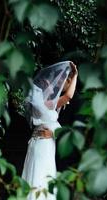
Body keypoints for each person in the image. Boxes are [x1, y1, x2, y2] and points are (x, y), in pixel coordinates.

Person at [21, 61, 78, 200]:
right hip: (42, 144)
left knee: (43, 177)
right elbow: (68, 96)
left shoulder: (45, 103)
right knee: (40, 178)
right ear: (45, 83)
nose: (55, 85)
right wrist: (75, 75)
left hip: (45, 143)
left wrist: (53, 134)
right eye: (51, 82)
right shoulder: (40, 101)